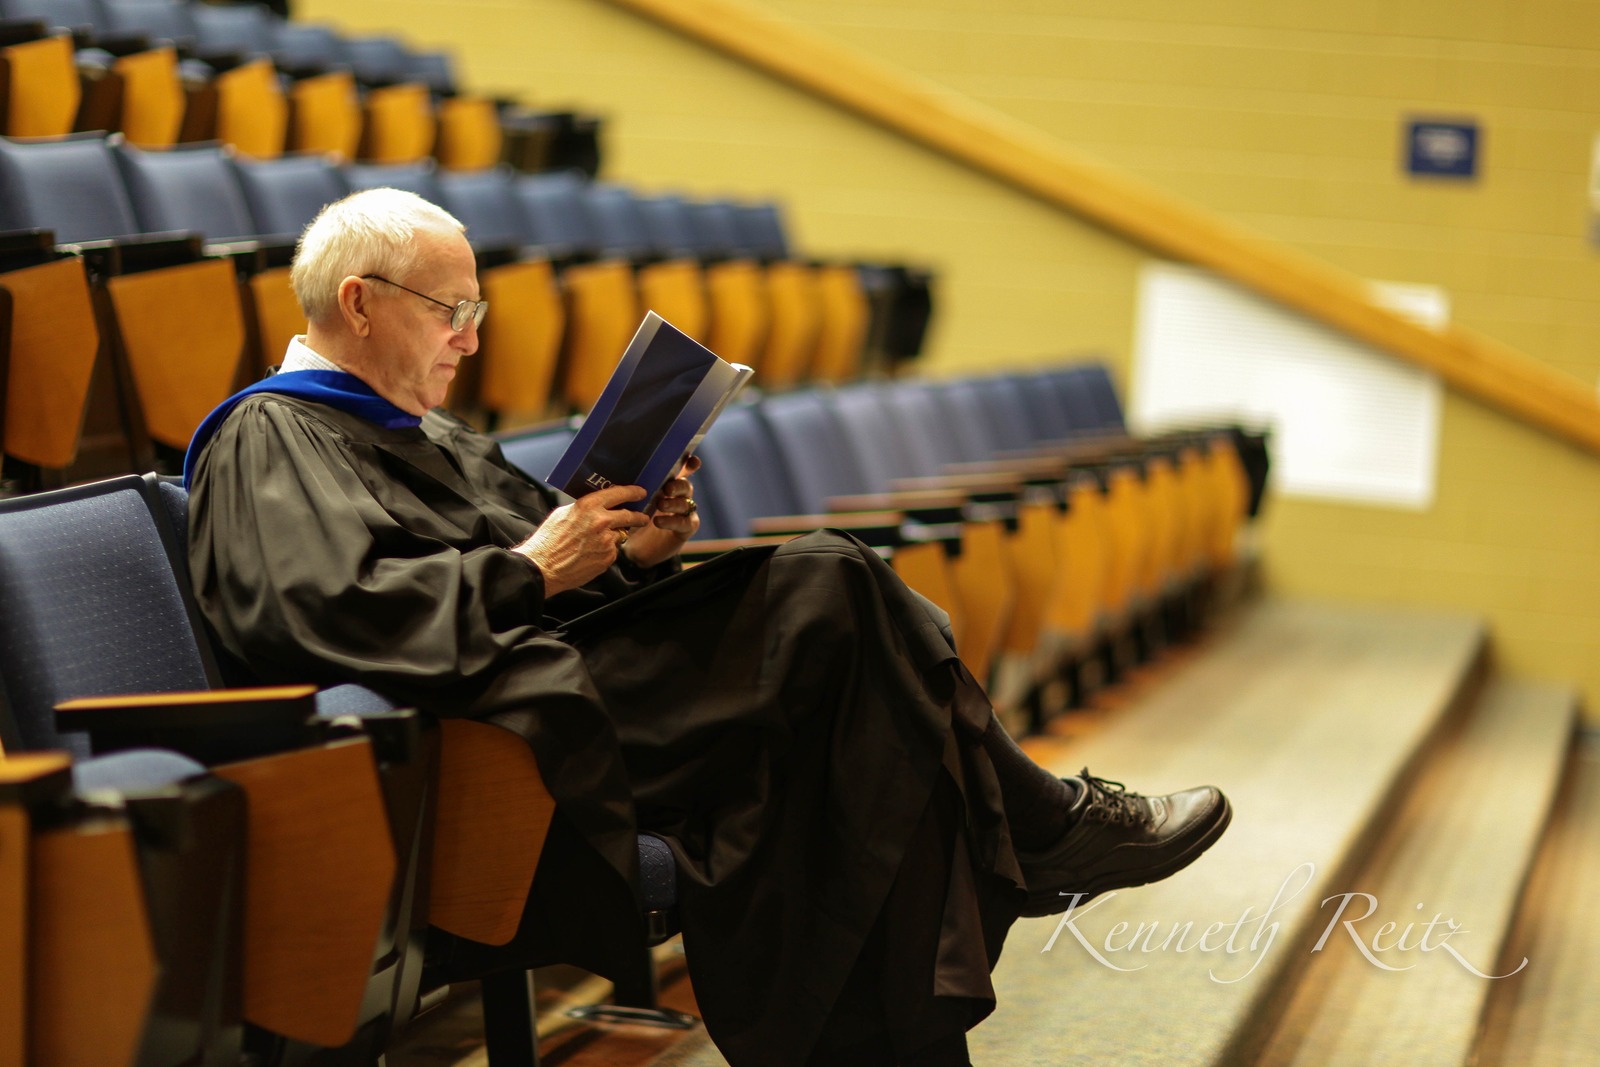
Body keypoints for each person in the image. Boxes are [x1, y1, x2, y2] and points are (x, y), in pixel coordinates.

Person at [185, 189, 1231, 1067]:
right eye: (447, 307)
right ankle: (1039, 825)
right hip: (501, 741)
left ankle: (1001, 885)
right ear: (358, 303)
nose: (469, 334)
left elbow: (539, 579)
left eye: (477, 308)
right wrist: (528, 568)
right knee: (832, 583)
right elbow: (312, 613)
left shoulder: (434, 436)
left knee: (867, 735)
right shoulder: (270, 432)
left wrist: (629, 551)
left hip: (578, 687)